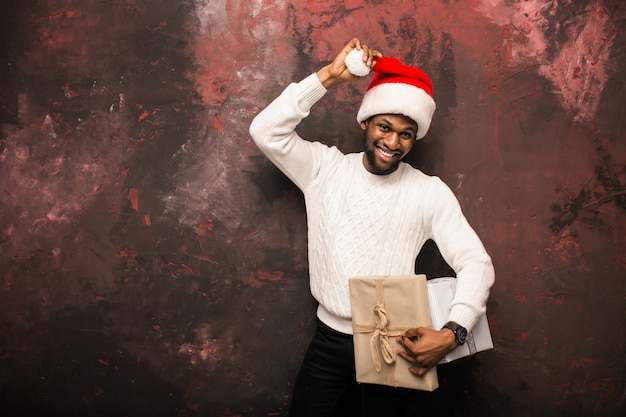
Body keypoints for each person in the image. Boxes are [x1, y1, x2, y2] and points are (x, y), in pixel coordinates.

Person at [249, 38, 495, 417]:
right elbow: (266, 131)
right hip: (328, 342)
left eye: (406, 133)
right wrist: (330, 77)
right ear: (366, 122)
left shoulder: (428, 191)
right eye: (384, 126)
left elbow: (476, 264)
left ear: (415, 137)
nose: (392, 142)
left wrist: (452, 333)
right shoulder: (323, 170)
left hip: (395, 344)